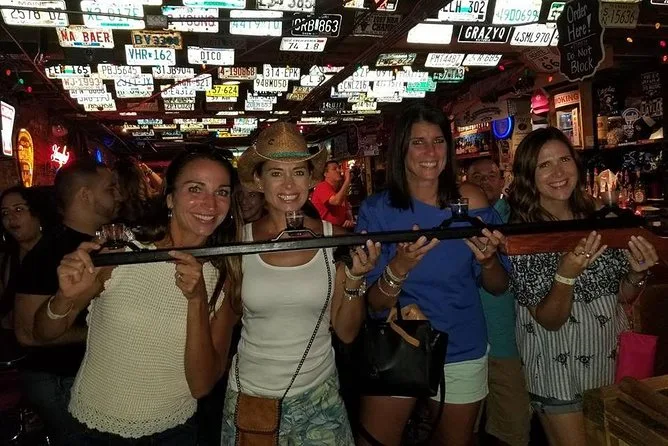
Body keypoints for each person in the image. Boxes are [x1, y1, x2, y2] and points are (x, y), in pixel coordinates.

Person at [33, 147, 243, 445]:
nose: (210, 203)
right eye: (195, 189)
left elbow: (201, 386)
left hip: (174, 432)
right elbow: (43, 333)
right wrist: (63, 297)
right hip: (92, 429)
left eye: (221, 192)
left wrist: (196, 301)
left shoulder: (226, 276)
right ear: (169, 197)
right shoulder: (123, 252)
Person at [356, 104, 510, 446]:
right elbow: (373, 304)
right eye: (418, 142)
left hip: (461, 344)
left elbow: (499, 286)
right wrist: (398, 268)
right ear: (401, 149)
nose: (430, 152)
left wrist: (488, 262)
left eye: (438, 141)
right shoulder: (377, 210)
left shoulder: (470, 201)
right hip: (397, 343)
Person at [218, 122, 380, 444]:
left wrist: (356, 277)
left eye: (299, 172)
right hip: (253, 397)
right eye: (276, 173)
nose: (289, 184)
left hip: (320, 396)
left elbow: (346, 332)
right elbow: (224, 321)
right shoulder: (238, 244)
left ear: (310, 179)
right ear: (259, 181)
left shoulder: (336, 240)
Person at [507, 127, 659, 446]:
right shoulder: (524, 236)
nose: (558, 172)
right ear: (528, 175)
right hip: (557, 374)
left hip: (610, 362)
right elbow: (549, 320)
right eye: (544, 165)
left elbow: (620, 296)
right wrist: (566, 275)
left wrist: (637, 273)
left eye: (564, 159)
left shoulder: (598, 218)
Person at [13, 159, 121, 445]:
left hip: (81, 375)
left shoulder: (99, 244)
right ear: (85, 195)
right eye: (110, 188)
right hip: (58, 378)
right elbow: (25, 334)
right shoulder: (51, 252)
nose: (118, 195)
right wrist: (103, 330)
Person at [467, 159, 531, 446]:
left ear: (502, 180)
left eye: (491, 176)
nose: (484, 181)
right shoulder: (455, 221)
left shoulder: (518, 218)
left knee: (512, 430)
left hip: (507, 343)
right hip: (466, 345)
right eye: (476, 176)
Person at [311, 160, 354, 228]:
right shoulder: (322, 186)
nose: (339, 170)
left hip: (341, 229)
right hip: (326, 230)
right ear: (326, 174)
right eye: (334, 169)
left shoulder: (339, 189)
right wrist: (347, 181)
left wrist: (350, 220)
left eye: (339, 168)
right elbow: (336, 201)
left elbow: (347, 208)